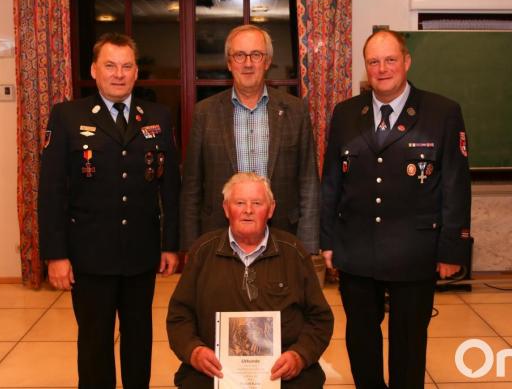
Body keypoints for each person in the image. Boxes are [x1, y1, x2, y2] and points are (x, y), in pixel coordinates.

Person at [320, 30, 472, 389]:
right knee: (360, 337)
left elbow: (455, 185)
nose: (382, 68)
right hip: (355, 247)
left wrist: (452, 249)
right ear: (366, 67)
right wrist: (328, 241)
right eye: (374, 61)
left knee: (409, 340)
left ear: (406, 62)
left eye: (390, 60)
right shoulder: (345, 114)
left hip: (415, 249)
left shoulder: (442, 112)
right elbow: (331, 182)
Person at [38, 33, 180, 389]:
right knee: (94, 342)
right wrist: (56, 255)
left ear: (136, 73)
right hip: (89, 255)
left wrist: (171, 244)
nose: (119, 74)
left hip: (141, 252)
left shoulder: (159, 116)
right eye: (110, 66)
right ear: (94, 70)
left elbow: (171, 187)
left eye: (127, 66)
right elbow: (52, 191)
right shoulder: (68, 116)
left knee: (139, 339)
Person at [167, 173, 333, 388]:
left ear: (271, 209)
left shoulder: (294, 252)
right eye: (239, 203)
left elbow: (320, 319)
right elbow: (179, 316)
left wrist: (299, 356)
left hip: (283, 373)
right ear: (226, 209)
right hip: (214, 371)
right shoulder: (202, 251)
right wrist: (194, 351)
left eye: (256, 203)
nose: (248, 210)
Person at [180, 24, 320, 254]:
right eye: (239, 55)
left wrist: (308, 245)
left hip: (284, 236)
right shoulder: (204, 112)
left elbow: (309, 182)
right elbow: (192, 186)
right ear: (229, 63)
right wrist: (190, 247)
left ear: (267, 62)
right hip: (218, 238)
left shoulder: (295, 111)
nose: (247, 63)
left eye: (256, 55)